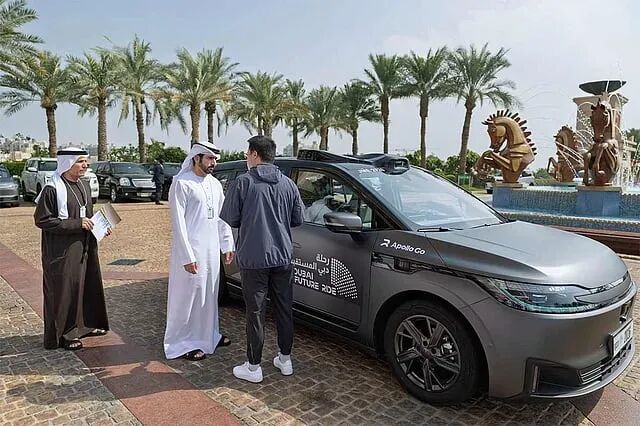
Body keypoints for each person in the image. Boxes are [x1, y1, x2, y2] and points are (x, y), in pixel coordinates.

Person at [220, 135, 304, 383]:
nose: (247, 157)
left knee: (255, 312)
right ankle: (285, 360)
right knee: (284, 309)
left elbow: (231, 218)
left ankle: (254, 366)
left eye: (248, 153)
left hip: (254, 259)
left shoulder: (243, 182)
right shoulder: (289, 184)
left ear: (255, 154)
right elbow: (297, 219)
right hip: (283, 257)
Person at [163, 141, 235, 361]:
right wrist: (187, 256)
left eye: (215, 159)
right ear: (196, 158)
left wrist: (227, 244)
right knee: (188, 297)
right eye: (210, 158)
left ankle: (208, 336)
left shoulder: (214, 184)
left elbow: (222, 217)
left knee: (209, 295)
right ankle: (181, 342)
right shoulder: (182, 183)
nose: (214, 163)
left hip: (211, 250)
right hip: (191, 251)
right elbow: (178, 223)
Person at [34, 147, 110, 350]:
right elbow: (42, 220)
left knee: (85, 285)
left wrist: (102, 227)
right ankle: (63, 335)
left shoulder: (84, 185)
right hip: (62, 250)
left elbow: (87, 215)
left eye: (86, 161)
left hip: (84, 246)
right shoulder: (52, 189)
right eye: (81, 161)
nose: (86, 165)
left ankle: (85, 326)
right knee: (64, 291)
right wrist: (77, 224)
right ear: (68, 163)